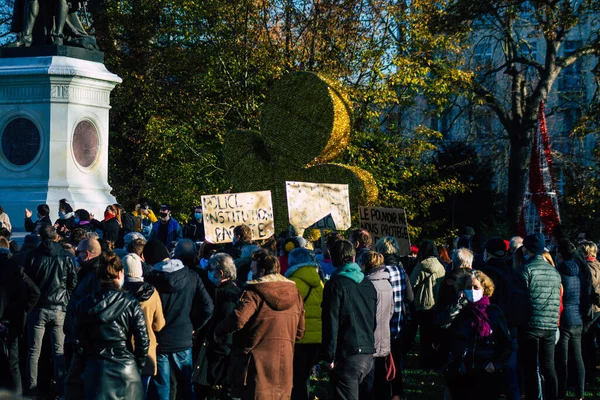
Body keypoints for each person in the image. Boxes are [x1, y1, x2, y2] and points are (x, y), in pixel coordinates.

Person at [214, 250, 304, 399]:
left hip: (255, 363)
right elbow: (300, 332)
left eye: (253, 269)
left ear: (262, 271)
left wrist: (218, 332)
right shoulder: (295, 294)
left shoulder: (253, 292)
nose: (251, 272)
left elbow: (238, 319)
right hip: (284, 365)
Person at [68, 252, 149, 399]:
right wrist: (137, 364)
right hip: (127, 368)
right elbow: (143, 340)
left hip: (96, 367)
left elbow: (77, 340)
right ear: (120, 274)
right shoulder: (131, 303)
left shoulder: (85, 304)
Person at [143, 239, 214, 400]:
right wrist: (194, 326)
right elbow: (208, 307)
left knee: (162, 388)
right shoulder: (192, 276)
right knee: (186, 386)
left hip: (160, 340)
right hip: (183, 338)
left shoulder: (151, 279)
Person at [438, 270, 513, 400]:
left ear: (484, 289)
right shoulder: (459, 311)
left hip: (484, 371)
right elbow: (443, 325)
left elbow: (507, 343)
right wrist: (458, 305)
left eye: (476, 287)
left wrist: (495, 365)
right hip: (461, 371)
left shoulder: (493, 313)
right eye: (468, 288)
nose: (472, 291)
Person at [23, 224, 77, 397]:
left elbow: (27, 283)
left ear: (40, 236)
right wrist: (66, 300)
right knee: (58, 351)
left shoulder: (33, 256)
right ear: (55, 237)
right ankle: (61, 390)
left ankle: (32, 387)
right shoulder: (66, 256)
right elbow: (72, 282)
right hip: (59, 307)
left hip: (39, 307)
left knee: (33, 351)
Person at [321, 239, 377, 399]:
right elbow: (373, 319)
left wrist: (328, 356)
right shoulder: (367, 284)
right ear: (353, 258)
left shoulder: (335, 284)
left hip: (347, 354)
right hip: (367, 352)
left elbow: (330, 321)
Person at [193, 253, 242, 399]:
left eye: (210, 269)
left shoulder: (226, 297)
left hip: (218, 355)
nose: (208, 272)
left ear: (220, 273)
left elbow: (226, 329)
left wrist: (218, 354)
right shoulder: (234, 289)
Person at [520, 232, 561, 400]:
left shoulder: (526, 269)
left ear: (527, 249)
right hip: (550, 324)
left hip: (532, 324)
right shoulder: (554, 271)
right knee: (549, 366)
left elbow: (521, 299)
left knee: (530, 368)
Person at [374, 236, 413, 399]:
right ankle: (396, 393)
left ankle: (384, 393)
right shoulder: (401, 270)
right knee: (396, 363)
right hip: (398, 324)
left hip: (383, 325)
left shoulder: (381, 272)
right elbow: (410, 297)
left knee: (383, 367)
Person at [122, 253, 166, 399]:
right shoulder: (152, 293)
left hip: (123, 350)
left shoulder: (118, 294)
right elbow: (159, 324)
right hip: (147, 349)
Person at [0, 240, 40, 395]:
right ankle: (16, 395)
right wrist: (24, 311)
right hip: (13, 322)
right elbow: (34, 292)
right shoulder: (17, 270)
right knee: (13, 363)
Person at [285, 247, 324, 400]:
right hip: (317, 336)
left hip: (299, 337)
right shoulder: (319, 281)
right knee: (304, 376)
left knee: (297, 378)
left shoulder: (294, 282)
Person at [555, 238, 587, 400]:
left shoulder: (559, 273)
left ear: (560, 254)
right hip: (577, 318)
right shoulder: (580, 272)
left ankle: (561, 392)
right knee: (578, 357)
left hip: (564, 317)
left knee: (563, 359)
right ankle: (580, 394)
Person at [359, 251, 393, 400]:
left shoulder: (368, 285)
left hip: (370, 338)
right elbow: (391, 310)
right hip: (384, 335)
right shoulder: (387, 283)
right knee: (381, 378)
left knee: (368, 381)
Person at [409, 239, 446, 368]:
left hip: (424, 303)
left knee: (424, 334)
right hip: (437, 302)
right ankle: (435, 360)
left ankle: (424, 361)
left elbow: (411, 283)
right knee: (434, 333)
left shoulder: (421, 265)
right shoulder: (441, 266)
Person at [580, 240, 600, 385]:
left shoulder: (588, 268)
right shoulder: (598, 265)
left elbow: (593, 290)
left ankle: (589, 376)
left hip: (591, 310)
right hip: (596, 309)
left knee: (587, 343)